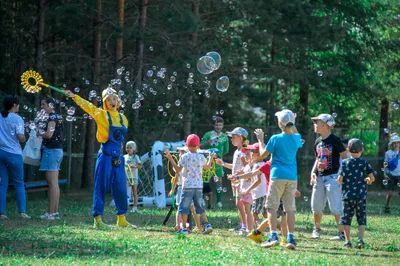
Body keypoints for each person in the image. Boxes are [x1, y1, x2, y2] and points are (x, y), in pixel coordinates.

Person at [65, 87, 134, 229]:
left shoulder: (124, 119)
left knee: (121, 187)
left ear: (118, 101)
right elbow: (88, 106)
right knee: (101, 187)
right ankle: (97, 219)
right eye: (108, 100)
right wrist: (74, 96)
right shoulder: (101, 115)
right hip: (106, 157)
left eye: (114, 98)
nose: (112, 101)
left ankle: (122, 218)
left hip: (118, 158)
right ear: (105, 103)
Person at [255, 109, 302, 249]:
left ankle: (273, 236)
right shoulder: (296, 139)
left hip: (277, 175)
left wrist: (260, 140)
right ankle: (290, 238)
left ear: (279, 123)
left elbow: (263, 155)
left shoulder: (275, 138)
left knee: (271, 207)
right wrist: (293, 122)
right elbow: (296, 133)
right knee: (290, 209)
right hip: (292, 177)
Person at [164, 134, 215, 235]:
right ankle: (207, 225)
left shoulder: (184, 157)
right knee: (199, 207)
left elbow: (178, 170)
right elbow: (208, 167)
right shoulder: (201, 157)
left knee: (184, 207)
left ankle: (183, 228)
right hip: (199, 186)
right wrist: (210, 158)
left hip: (187, 186)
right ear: (198, 145)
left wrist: (170, 158)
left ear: (187, 145)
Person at [310, 114, 347, 240]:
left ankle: (342, 233)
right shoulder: (317, 141)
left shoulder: (335, 140)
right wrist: (313, 172)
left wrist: (341, 174)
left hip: (333, 177)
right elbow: (318, 158)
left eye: (317, 122)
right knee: (316, 206)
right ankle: (316, 229)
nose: (315, 125)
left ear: (325, 125)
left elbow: (345, 158)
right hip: (319, 177)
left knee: (335, 206)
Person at [338, 138, 375, 249]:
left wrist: (342, 184)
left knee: (346, 218)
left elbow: (340, 179)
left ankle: (348, 241)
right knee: (361, 218)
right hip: (360, 196)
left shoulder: (344, 163)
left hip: (347, 196)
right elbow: (372, 177)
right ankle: (360, 239)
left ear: (348, 150)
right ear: (361, 150)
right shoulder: (364, 163)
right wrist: (368, 180)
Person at [0, 94, 30, 219]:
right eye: (18, 104)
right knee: (19, 183)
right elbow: (20, 137)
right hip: (14, 154)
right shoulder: (17, 119)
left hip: (0, 152)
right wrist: (26, 136)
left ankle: (2, 213)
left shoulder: (0, 117)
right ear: (14, 105)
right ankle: (22, 212)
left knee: (2, 184)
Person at [215, 127, 248, 233]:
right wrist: (223, 163)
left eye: (234, 137)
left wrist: (237, 175)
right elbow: (235, 166)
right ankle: (242, 224)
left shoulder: (243, 151)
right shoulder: (237, 151)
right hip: (235, 181)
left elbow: (247, 167)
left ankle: (245, 226)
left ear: (241, 138)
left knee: (241, 204)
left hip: (241, 181)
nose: (232, 139)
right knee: (238, 204)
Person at [38, 96, 64, 220]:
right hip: (57, 151)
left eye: (44, 104)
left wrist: (39, 133)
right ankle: (55, 212)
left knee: (52, 183)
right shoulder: (56, 117)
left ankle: (51, 213)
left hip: (52, 151)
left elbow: (49, 134)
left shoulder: (52, 118)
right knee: (55, 183)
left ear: (50, 105)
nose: (42, 107)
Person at [167, 147, 202, 232]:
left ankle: (178, 225)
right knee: (193, 208)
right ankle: (198, 226)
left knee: (180, 208)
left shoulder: (180, 164)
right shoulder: (192, 163)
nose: (179, 154)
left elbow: (176, 177)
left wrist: (170, 158)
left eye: (181, 152)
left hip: (182, 188)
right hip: (191, 187)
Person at [200, 116, 229, 208]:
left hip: (218, 161)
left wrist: (219, 154)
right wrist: (207, 143)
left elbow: (226, 150)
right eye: (216, 125)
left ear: (223, 126)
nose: (218, 127)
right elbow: (200, 146)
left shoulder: (224, 137)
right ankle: (202, 200)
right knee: (204, 180)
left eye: (220, 125)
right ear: (214, 125)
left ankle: (219, 201)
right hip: (207, 161)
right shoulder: (208, 135)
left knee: (219, 182)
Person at [383, 135, 400, 214]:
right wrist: (385, 173)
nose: (395, 144)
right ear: (391, 144)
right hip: (391, 175)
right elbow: (385, 164)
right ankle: (387, 206)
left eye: (397, 143)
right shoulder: (388, 153)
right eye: (394, 143)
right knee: (390, 192)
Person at [124, 141, 142, 213]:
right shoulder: (124, 157)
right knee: (123, 191)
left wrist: (134, 166)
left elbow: (140, 166)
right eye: (127, 147)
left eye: (130, 147)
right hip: (126, 177)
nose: (128, 149)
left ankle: (135, 207)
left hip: (134, 177)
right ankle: (123, 206)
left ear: (134, 149)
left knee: (134, 192)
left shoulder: (136, 157)